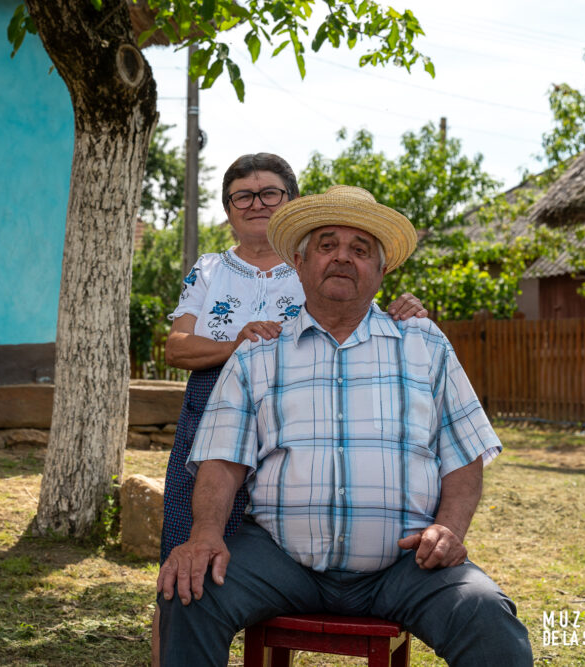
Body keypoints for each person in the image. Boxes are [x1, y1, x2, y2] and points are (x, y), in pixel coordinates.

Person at [156, 185, 532, 666]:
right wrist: (205, 534)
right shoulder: (257, 354)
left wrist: (448, 528)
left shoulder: (424, 345)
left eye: (360, 250)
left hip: (405, 564)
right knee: (190, 592)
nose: (342, 258)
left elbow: (464, 455)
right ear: (299, 260)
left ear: (381, 269)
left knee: (487, 617)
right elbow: (221, 463)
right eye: (327, 244)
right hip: (279, 559)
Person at [152, 155, 426, 664]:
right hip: (209, 414)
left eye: (270, 193)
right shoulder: (209, 269)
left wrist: (404, 308)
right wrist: (239, 343)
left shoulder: (316, 260)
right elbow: (176, 348)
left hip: (292, 423)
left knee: (279, 545)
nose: (256, 204)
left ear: (291, 204)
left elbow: (356, 317)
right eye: (243, 196)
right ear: (229, 210)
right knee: (186, 552)